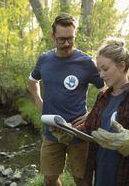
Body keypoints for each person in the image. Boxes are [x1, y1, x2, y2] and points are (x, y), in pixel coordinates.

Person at [28, 13, 105, 186]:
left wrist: (93, 113)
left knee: (82, 179)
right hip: (51, 132)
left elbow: (107, 90)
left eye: (71, 39)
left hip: (79, 132)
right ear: (52, 36)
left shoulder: (86, 62)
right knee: (49, 178)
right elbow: (32, 82)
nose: (66, 44)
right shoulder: (44, 59)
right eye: (61, 39)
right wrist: (39, 102)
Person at [76, 37, 129, 186]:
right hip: (100, 173)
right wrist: (68, 132)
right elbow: (88, 127)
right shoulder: (102, 96)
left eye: (105, 69)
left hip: (127, 175)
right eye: (99, 70)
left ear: (121, 66)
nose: (101, 75)